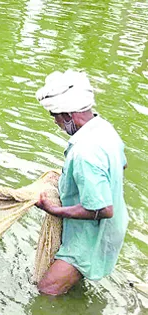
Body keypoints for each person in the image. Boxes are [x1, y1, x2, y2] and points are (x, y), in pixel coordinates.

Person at [35, 70, 128, 296]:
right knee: (69, 287)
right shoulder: (104, 128)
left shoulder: (85, 152)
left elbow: (103, 209)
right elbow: (121, 165)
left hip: (90, 238)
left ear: (69, 115)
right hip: (113, 227)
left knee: (46, 291)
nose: (56, 122)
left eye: (55, 116)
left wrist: (55, 209)